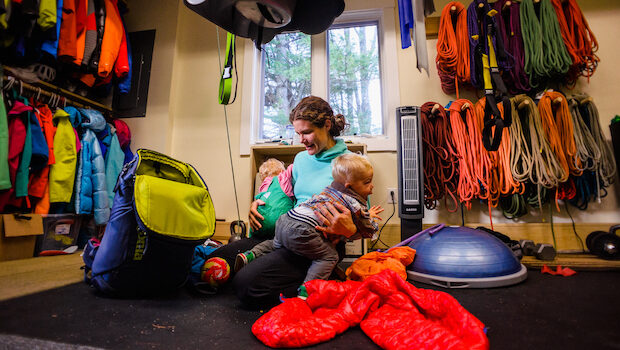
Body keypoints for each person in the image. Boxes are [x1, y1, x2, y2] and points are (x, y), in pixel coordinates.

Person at [231, 95, 364, 308]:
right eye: (298, 133)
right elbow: (281, 190)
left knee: (245, 285)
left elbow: (363, 218)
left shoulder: (351, 164)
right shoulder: (302, 159)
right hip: (287, 233)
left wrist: (350, 231)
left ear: (327, 125)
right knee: (225, 258)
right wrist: (257, 203)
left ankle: (318, 282)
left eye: (307, 132)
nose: (301, 139)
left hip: (317, 245)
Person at [234, 154, 383, 299]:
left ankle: (250, 255)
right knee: (330, 256)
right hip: (304, 231)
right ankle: (307, 291)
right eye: (367, 182)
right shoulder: (354, 202)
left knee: (275, 244)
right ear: (349, 185)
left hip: (286, 220)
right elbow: (367, 227)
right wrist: (370, 217)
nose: (372, 186)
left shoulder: (328, 190)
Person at [249, 158, 295, 239]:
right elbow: (293, 168)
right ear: (281, 171)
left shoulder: (263, 187)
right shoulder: (282, 178)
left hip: (257, 230)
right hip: (279, 230)